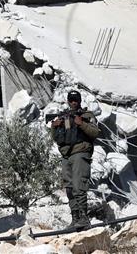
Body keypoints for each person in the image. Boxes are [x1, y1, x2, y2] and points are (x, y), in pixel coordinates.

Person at [50, 90, 100, 228]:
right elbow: (57, 138)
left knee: (79, 186)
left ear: (80, 101)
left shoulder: (87, 116)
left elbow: (95, 132)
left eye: (76, 100)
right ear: (68, 101)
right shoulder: (65, 117)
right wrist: (54, 127)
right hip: (66, 155)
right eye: (71, 100)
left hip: (80, 152)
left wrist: (81, 124)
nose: (73, 102)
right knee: (70, 188)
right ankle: (75, 218)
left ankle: (83, 219)